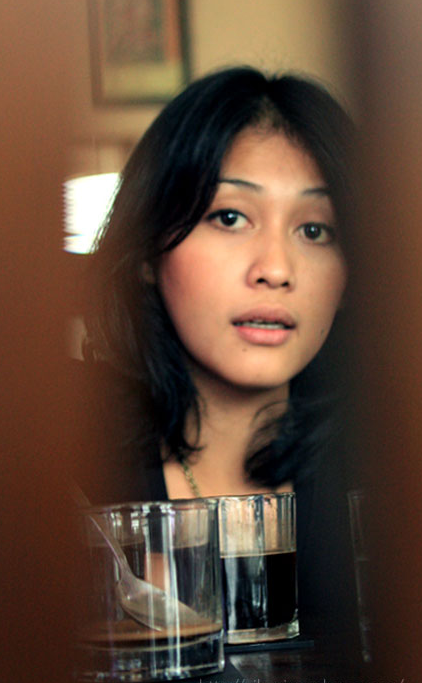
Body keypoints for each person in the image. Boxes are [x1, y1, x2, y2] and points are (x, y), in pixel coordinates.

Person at [77, 66, 359, 646]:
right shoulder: (65, 460)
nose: (275, 270)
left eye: (315, 230)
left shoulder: (397, 463)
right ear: (147, 251)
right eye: (229, 217)